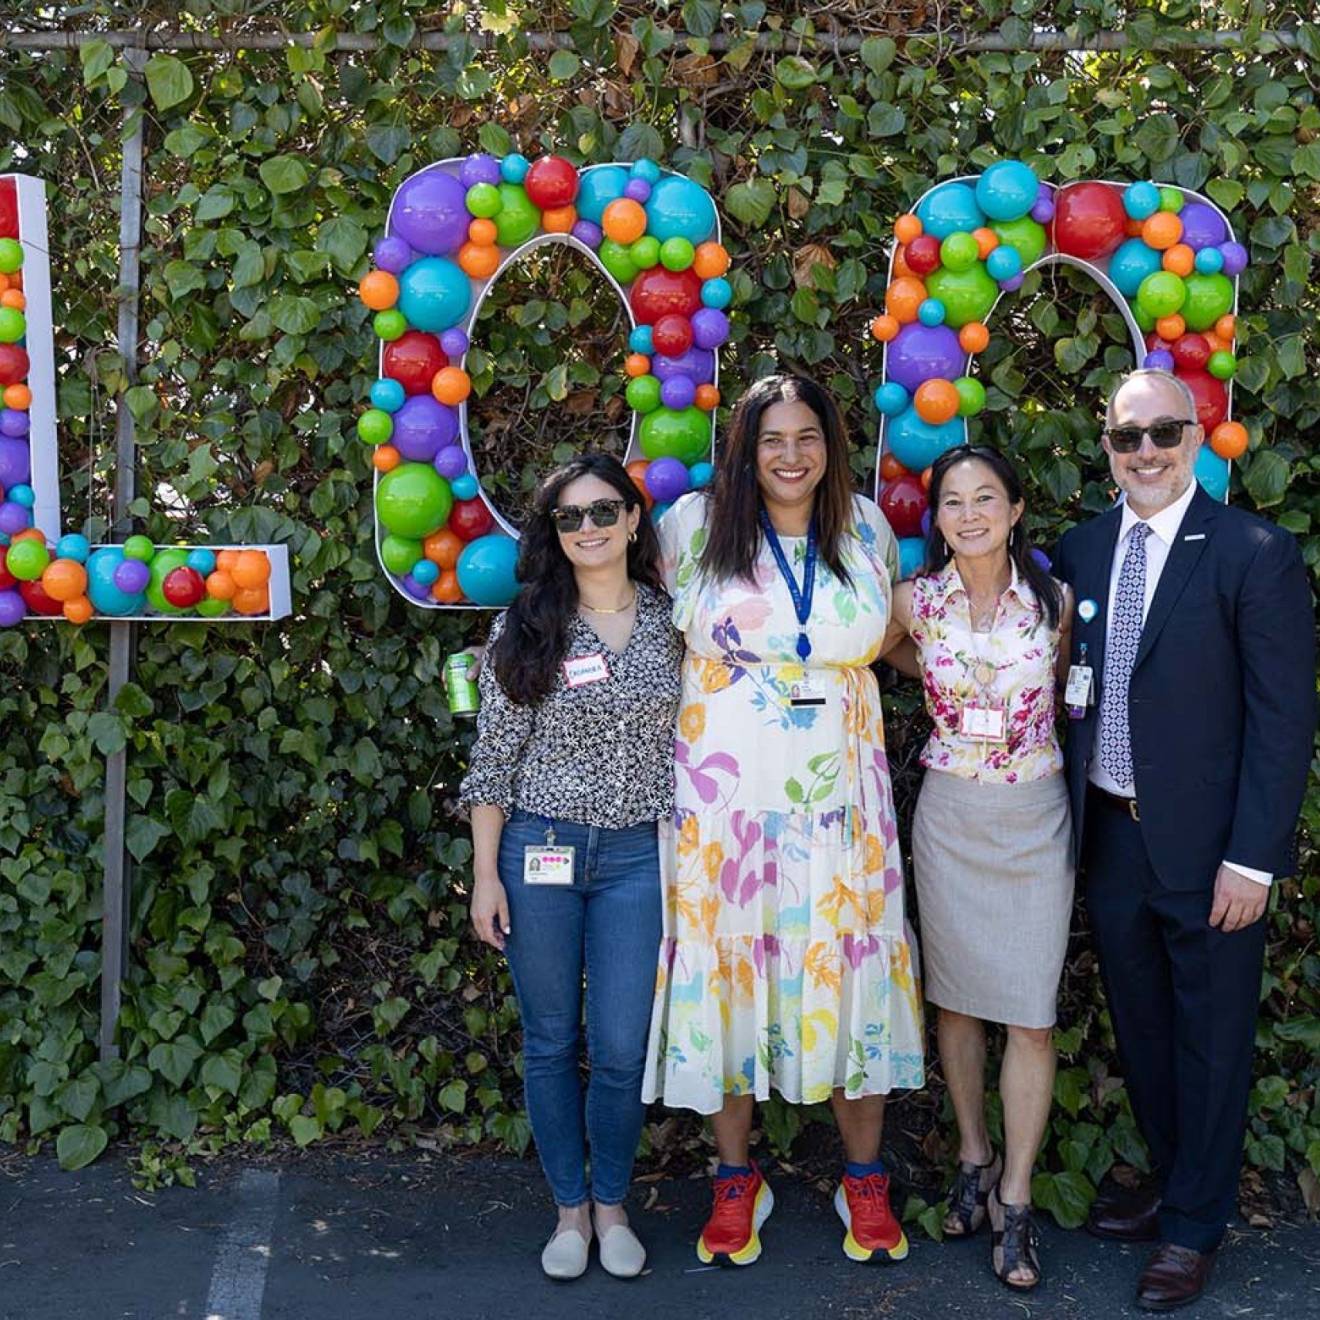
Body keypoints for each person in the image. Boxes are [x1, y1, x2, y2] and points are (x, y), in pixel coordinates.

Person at [643, 373, 925, 1267]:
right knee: (727, 968)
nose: (792, 455)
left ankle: (864, 1179)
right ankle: (736, 1181)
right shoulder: (690, 527)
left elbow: (899, 641)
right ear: (745, 447)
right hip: (723, 805)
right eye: (773, 439)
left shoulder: (867, 529)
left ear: (831, 445)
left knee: (851, 967)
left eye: (808, 437)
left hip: (842, 803)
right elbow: (636, 623)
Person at [1054, 369, 1314, 1311]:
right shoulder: (1079, 552)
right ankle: (1174, 1190)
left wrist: (1253, 858)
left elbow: (1283, 721)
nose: (1148, 453)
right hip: (1112, 839)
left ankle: (1197, 1227)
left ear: (1198, 437)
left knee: (1211, 1037)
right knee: (1147, 1030)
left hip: (1213, 853)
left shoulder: (1253, 551)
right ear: (1108, 447)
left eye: (1166, 433)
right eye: (1130, 439)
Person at [461, 452, 684, 1281]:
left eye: (603, 512)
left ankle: (615, 1205)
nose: (588, 528)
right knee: (552, 1039)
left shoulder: (676, 621)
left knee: (622, 1046)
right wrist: (486, 875)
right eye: (569, 517)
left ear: (632, 520)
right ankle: (568, 1212)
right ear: (553, 534)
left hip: (635, 857)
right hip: (539, 850)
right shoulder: (525, 627)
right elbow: (493, 760)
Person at [883, 444, 1073, 1291]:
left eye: (984, 497)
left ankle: (1018, 1196)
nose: (968, 513)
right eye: (952, 501)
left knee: (1031, 1015)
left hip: (1036, 816)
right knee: (956, 1003)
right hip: (953, 812)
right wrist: (939, 682)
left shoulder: (1058, 601)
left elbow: (1073, 688)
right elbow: (874, 652)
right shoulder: (914, 600)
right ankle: (972, 1155)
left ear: (1016, 508)